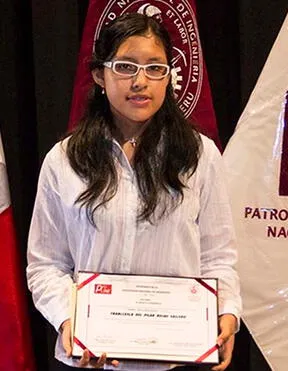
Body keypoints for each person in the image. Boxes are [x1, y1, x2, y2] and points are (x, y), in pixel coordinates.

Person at [26, 13, 240, 371]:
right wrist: (69, 321)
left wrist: (227, 311)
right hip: (89, 359)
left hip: (176, 360)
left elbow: (218, 257)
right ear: (99, 75)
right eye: (126, 67)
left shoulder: (200, 156)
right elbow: (46, 265)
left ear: (169, 76)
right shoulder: (64, 160)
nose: (141, 81)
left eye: (155, 68)